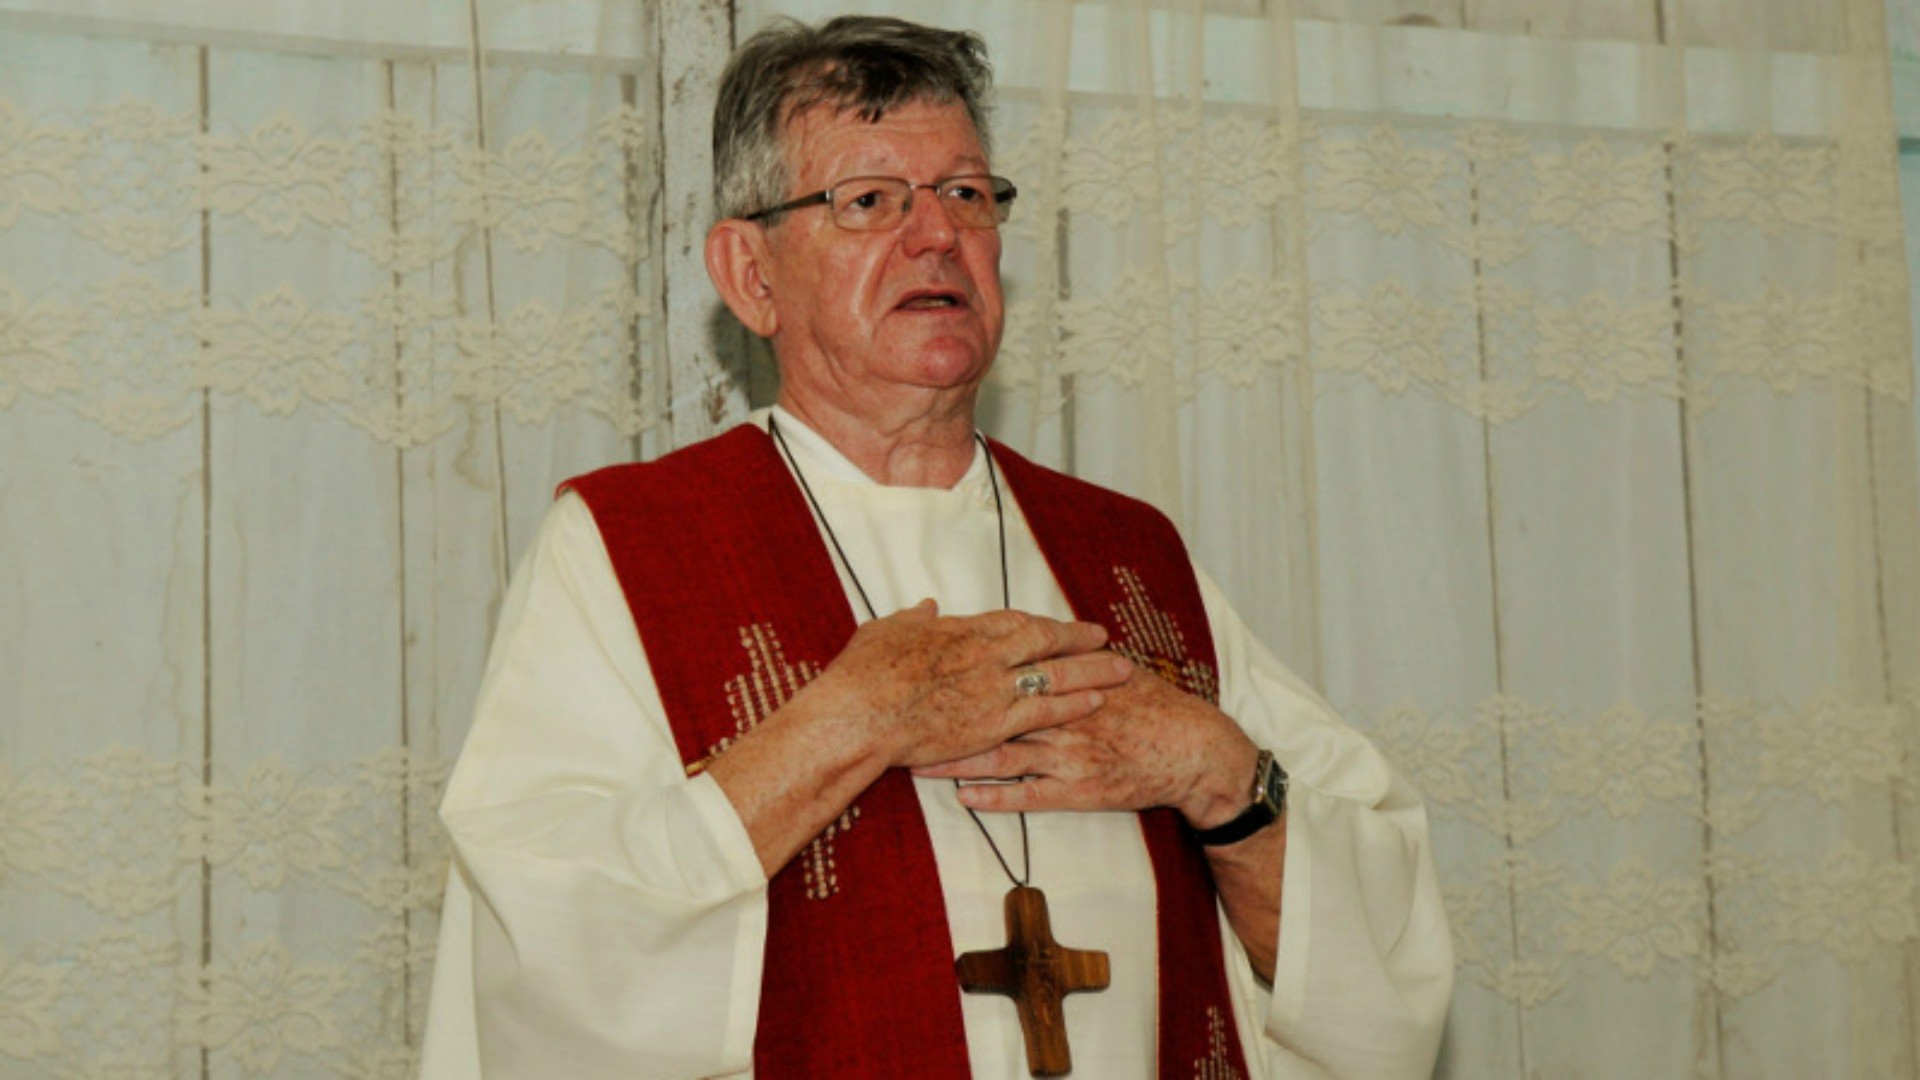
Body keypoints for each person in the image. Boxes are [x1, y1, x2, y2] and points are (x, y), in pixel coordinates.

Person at [420, 15, 1451, 1079]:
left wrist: (1219, 773)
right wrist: (848, 724)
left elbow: (1380, 971)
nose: (936, 236)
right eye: (868, 201)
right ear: (751, 275)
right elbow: (540, 946)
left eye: (965, 194)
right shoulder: (631, 547)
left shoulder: (1131, 557)